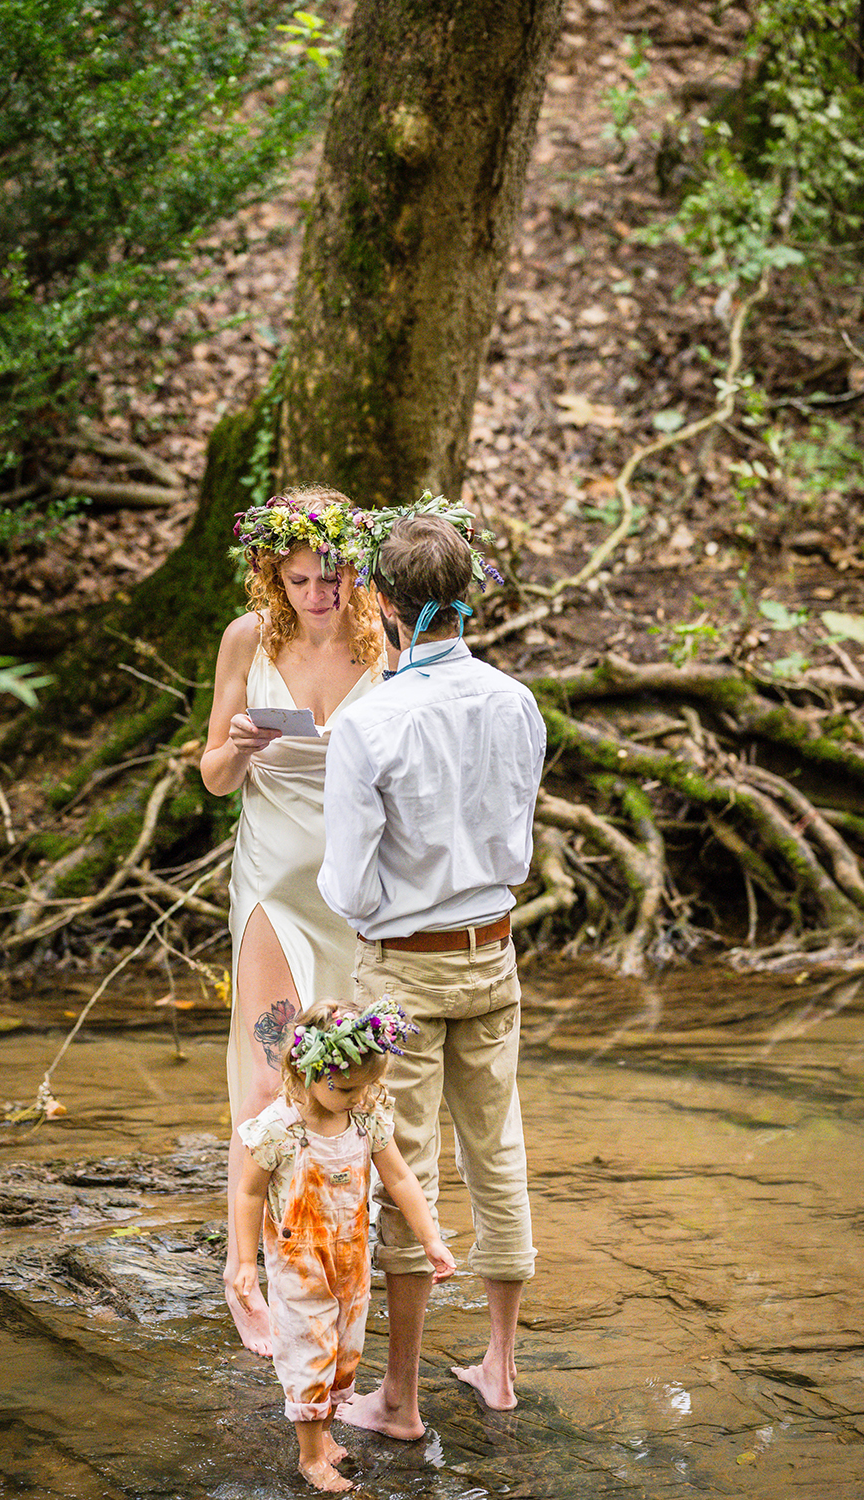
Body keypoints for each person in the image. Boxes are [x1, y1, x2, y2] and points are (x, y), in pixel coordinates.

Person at [318, 505, 546, 1438]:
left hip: (404, 974)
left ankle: (400, 1401)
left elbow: (346, 884)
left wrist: (381, 922)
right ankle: (498, 1365)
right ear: (465, 601)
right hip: (493, 955)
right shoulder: (517, 700)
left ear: (383, 605)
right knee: (499, 1152)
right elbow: (516, 833)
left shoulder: (370, 723)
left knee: (405, 1171)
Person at [200, 485, 385, 1353]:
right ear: (275, 574)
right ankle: (249, 1269)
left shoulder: (384, 633)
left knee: (346, 1076)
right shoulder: (248, 639)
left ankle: (331, 1244)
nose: (322, 594)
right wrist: (238, 747)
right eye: (304, 579)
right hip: (274, 875)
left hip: (357, 885)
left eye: (335, 576)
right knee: (271, 1079)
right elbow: (211, 777)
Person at [233, 996, 455, 1493]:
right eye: (349, 1087)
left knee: (344, 1352)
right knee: (309, 1353)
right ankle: (310, 1456)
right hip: (299, 1263)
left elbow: (399, 1178)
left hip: (350, 1258)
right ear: (307, 1070)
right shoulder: (280, 1128)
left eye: (369, 1085)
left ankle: (325, 1432)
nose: (360, 1096)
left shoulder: (366, 1117)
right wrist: (245, 1261)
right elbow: (248, 1193)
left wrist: (431, 1240)